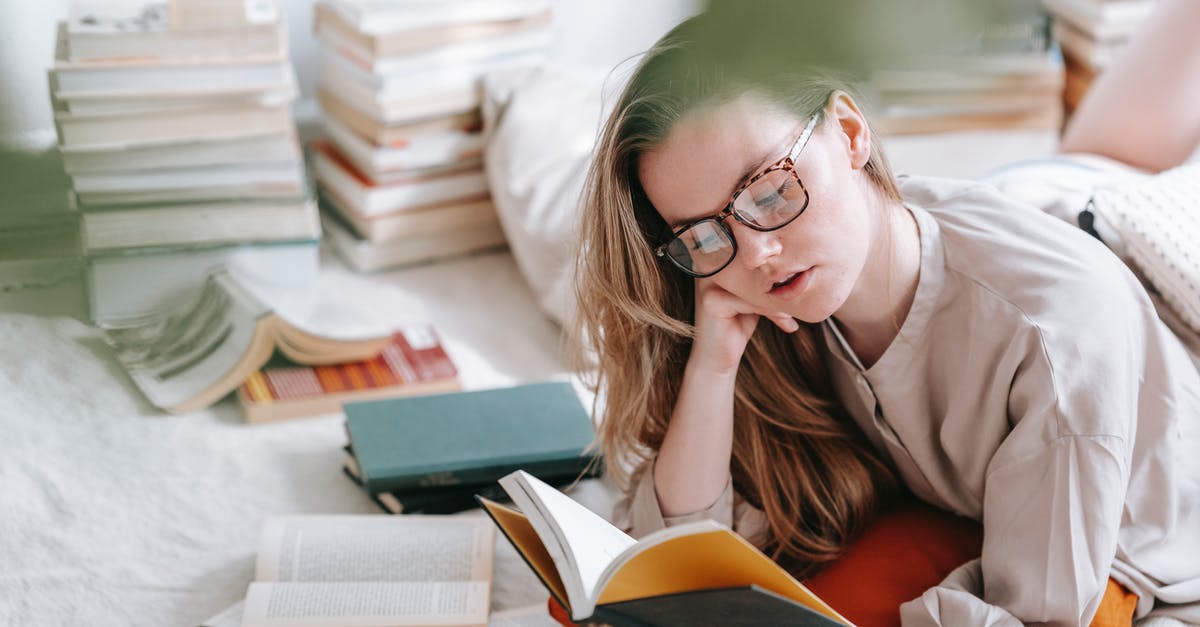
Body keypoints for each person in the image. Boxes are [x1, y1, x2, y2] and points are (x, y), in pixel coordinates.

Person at [572, 0, 1200, 624]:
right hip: (1043, 192)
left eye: (770, 188)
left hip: (1154, 268)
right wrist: (712, 367)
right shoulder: (767, 291)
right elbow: (672, 553)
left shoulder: (1058, 343)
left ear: (849, 133)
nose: (757, 252)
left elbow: (1035, 614)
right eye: (705, 233)